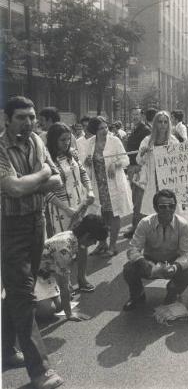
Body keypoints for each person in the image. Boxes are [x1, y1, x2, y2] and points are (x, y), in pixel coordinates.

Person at [0, 96, 64, 389]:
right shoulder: (1, 147)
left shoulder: (38, 142)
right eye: (21, 117)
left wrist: (29, 182)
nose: (27, 123)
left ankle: (5, 351)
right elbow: (12, 188)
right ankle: (41, 371)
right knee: (23, 295)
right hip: (9, 227)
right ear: (7, 118)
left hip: (36, 223)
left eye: (31, 117)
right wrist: (41, 175)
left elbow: (59, 180)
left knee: (15, 292)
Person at [123, 189, 188, 310]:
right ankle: (138, 295)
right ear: (155, 208)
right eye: (163, 206)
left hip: (173, 261)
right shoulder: (145, 223)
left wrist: (176, 266)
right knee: (129, 269)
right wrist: (143, 263)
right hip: (150, 261)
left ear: (175, 206)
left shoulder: (182, 224)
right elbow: (133, 249)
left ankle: (173, 292)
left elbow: (187, 254)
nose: (168, 210)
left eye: (171, 206)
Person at [44, 124, 96, 278]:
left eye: (68, 139)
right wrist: (66, 209)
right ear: (53, 141)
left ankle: (82, 278)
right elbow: (46, 191)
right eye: (62, 140)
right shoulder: (47, 160)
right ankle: (65, 287)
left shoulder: (72, 154)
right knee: (62, 248)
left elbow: (83, 173)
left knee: (82, 242)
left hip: (79, 204)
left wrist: (90, 191)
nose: (66, 143)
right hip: (60, 210)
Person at [35, 215, 108, 321]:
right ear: (87, 235)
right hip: (31, 275)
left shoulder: (71, 236)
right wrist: (69, 314)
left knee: (62, 303)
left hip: (45, 274)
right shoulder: (64, 249)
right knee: (48, 310)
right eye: (95, 240)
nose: (95, 243)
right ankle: (18, 302)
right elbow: (64, 286)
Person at [83, 116, 132, 257]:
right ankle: (102, 243)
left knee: (114, 214)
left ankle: (112, 246)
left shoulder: (115, 141)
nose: (104, 130)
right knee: (102, 215)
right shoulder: (91, 143)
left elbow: (126, 159)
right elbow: (86, 164)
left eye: (105, 127)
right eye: (100, 128)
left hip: (113, 184)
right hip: (99, 185)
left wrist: (116, 164)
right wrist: (87, 162)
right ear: (94, 130)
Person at [137, 111, 179, 217]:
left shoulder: (174, 141)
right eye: (160, 122)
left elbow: (179, 162)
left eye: (165, 122)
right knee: (153, 212)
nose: (163, 125)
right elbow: (139, 160)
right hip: (153, 180)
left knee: (169, 212)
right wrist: (142, 153)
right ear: (155, 123)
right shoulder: (147, 140)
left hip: (169, 180)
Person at [124, 106, 152, 239]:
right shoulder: (135, 129)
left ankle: (137, 229)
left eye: (137, 114)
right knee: (135, 198)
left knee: (138, 199)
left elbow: (145, 151)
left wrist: (138, 166)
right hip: (132, 166)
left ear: (142, 116)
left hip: (138, 167)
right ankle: (136, 226)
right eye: (132, 114)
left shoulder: (145, 130)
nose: (134, 117)